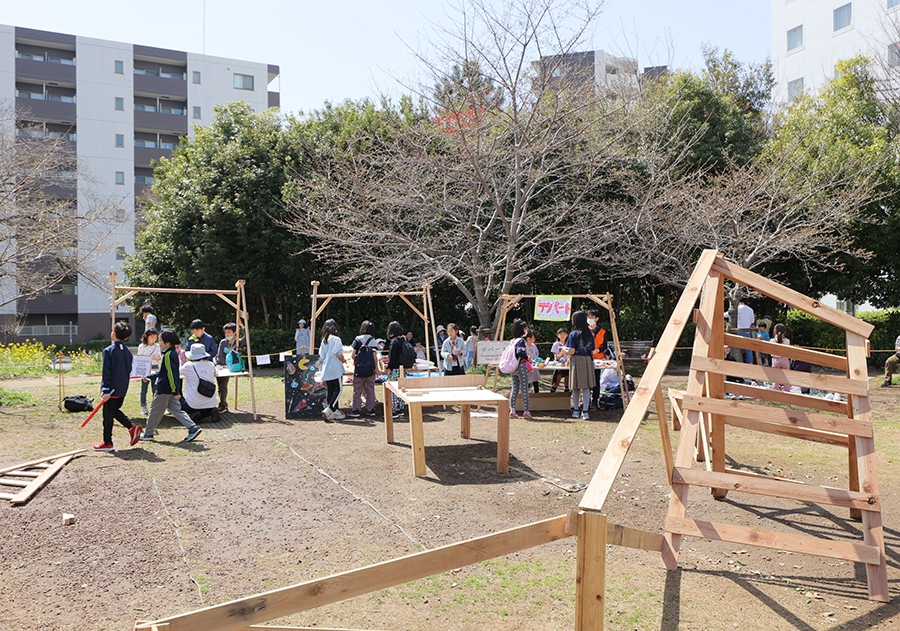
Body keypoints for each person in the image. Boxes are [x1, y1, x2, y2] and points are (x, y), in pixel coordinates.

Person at [140, 330, 202, 443]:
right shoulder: (172, 353)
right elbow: (164, 372)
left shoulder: (168, 355)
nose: (159, 342)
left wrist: (175, 391)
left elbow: (171, 374)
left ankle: (148, 433)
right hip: (170, 389)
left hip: (165, 389)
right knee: (176, 410)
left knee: (154, 411)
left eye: (160, 340)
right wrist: (150, 376)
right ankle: (193, 428)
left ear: (167, 342)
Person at [93, 321, 143, 452]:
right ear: (126, 337)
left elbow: (106, 372)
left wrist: (106, 390)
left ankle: (108, 442)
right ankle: (131, 428)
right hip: (122, 388)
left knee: (108, 416)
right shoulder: (127, 352)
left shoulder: (108, 351)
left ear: (113, 333)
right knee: (114, 411)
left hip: (111, 389)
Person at [566, 311, 596, 420]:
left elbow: (572, 350)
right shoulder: (589, 333)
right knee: (586, 387)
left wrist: (566, 351)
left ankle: (576, 411)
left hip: (577, 360)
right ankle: (586, 411)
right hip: (587, 360)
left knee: (575, 387)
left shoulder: (573, 334)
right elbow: (592, 350)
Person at [181, 343, 219, 422]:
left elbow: (178, 373)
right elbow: (216, 373)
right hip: (211, 403)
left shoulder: (188, 366)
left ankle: (194, 413)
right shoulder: (211, 365)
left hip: (193, 404)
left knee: (177, 400)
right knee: (207, 405)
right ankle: (210, 412)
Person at [317, 318, 346, 422]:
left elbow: (321, 357)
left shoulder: (324, 340)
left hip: (326, 367)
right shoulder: (336, 339)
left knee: (330, 390)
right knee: (338, 389)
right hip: (335, 367)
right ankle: (330, 409)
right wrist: (344, 361)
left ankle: (331, 411)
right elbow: (339, 354)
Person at [350, 320, 380, 418]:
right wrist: (376, 368)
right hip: (370, 370)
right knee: (370, 389)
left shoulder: (357, 339)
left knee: (357, 390)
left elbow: (352, 355)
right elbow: (375, 357)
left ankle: (356, 410)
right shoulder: (373, 341)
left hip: (359, 370)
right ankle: (371, 410)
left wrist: (358, 361)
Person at [214, 322, 243, 413]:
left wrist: (242, 326)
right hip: (221, 366)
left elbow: (247, 338)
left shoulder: (238, 342)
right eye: (226, 332)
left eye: (229, 332)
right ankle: (222, 403)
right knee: (220, 386)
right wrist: (224, 365)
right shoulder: (223, 342)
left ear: (235, 332)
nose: (227, 334)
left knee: (224, 386)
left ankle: (223, 404)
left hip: (231, 367)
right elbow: (220, 355)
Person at [507, 319, 531, 419]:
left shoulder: (512, 341)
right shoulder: (521, 341)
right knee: (524, 388)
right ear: (522, 330)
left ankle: (512, 410)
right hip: (521, 366)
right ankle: (526, 411)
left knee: (515, 388)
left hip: (513, 368)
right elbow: (519, 353)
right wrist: (527, 357)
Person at [386, 321, 408, 419]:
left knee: (393, 388)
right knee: (402, 388)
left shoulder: (394, 342)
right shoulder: (404, 340)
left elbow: (392, 357)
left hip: (395, 369)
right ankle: (400, 408)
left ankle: (394, 410)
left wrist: (389, 368)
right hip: (404, 369)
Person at [137, 327, 161, 415]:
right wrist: (142, 374)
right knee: (144, 389)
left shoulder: (157, 346)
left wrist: (155, 358)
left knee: (155, 388)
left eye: (155, 337)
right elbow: (139, 359)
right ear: (146, 336)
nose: (154, 339)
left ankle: (155, 406)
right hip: (145, 368)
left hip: (155, 368)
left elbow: (159, 357)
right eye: (152, 337)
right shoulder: (141, 346)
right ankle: (143, 406)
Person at [587, 309, 608, 409]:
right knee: (586, 381)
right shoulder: (585, 330)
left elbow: (605, 346)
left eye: (592, 317)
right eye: (588, 317)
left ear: (597, 319)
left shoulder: (602, 332)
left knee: (596, 380)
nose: (590, 319)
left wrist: (598, 350)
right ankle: (586, 401)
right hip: (586, 358)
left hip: (598, 359)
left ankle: (595, 401)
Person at [770, 323, 791, 391]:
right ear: (785, 332)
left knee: (776, 377)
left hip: (775, 360)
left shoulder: (772, 341)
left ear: (774, 332)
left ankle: (775, 390)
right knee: (786, 377)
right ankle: (787, 391)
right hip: (784, 359)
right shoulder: (787, 341)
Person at [550, 328, 570, 392]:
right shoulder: (556, 344)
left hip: (567, 365)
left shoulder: (569, 343)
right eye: (560, 334)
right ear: (557, 335)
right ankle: (552, 393)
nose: (562, 335)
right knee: (557, 381)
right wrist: (563, 351)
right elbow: (557, 357)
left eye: (564, 334)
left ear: (567, 335)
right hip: (559, 365)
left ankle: (566, 395)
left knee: (567, 381)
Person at [736, 299, 755, 364]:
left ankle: (738, 362)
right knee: (748, 349)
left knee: (737, 348)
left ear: (739, 302)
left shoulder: (738, 308)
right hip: (747, 331)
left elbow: (727, 314)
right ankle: (750, 363)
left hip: (739, 330)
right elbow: (752, 321)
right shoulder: (750, 309)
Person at [526, 329, 541, 393]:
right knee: (527, 382)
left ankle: (537, 395)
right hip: (527, 367)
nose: (534, 339)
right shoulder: (524, 346)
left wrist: (537, 360)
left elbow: (536, 354)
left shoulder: (534, 346)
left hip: (534, 366)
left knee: (535, 381)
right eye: (533, 337)